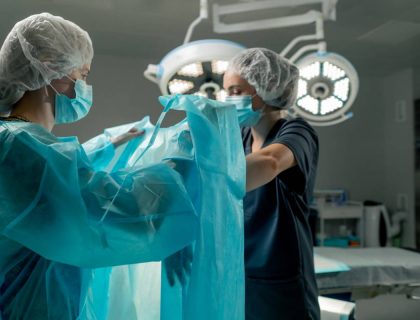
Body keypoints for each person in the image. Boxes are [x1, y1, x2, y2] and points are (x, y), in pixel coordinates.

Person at [0, 13, 198, 319]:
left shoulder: (13, 141)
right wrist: (185, 156)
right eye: (83, 74)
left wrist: (108, 145)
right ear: (53, 70)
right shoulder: (26, 149)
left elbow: (58, 187)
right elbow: (118, 208)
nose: (85, 86)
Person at [223, 48, 320, 319]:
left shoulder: (297, 131)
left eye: (236, 91)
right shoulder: (239, 137)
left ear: (266, 88)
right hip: (243, 277)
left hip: (283, 284)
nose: (228, 99)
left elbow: (270, 162)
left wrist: (211, 179)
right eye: (226, 91)